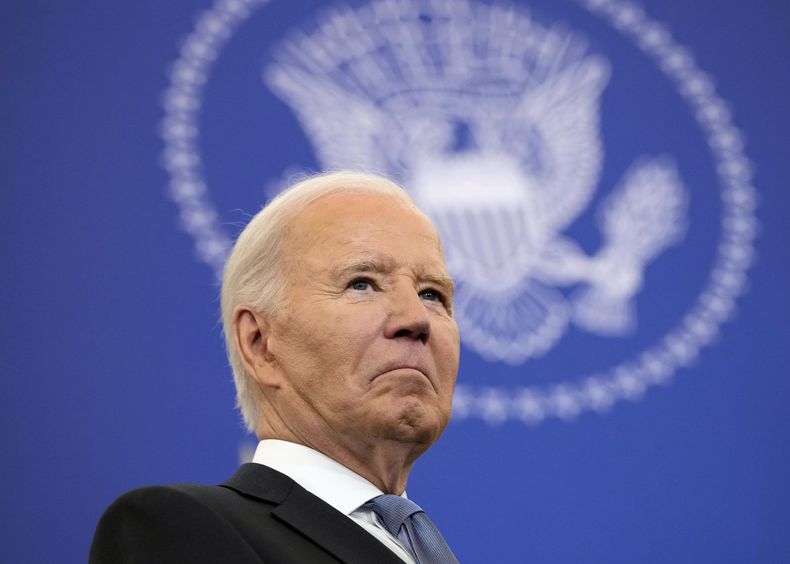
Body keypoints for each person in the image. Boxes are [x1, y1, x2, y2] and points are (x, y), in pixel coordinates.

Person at [90, 171, 462, 563]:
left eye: (431, 294)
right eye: (362, 284)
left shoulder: (421, 548)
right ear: (260, 343)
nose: (416, 318)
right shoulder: (181, 531)